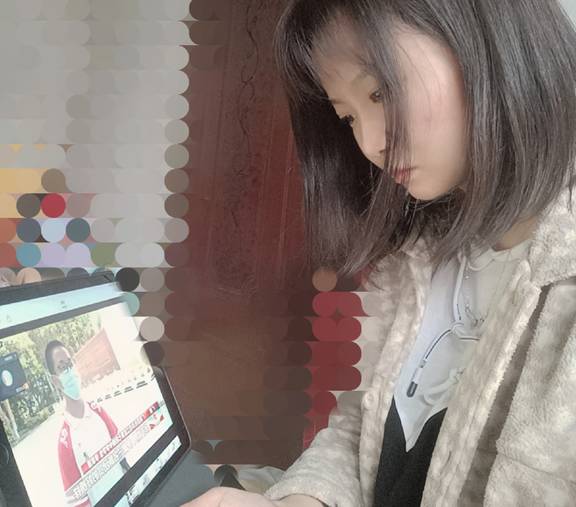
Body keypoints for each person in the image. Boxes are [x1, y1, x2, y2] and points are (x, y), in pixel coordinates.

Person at [183, 0, 576, 506]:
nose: (370, 143)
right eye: (347, 116)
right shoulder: (417, 255)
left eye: (380, 91)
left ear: (488, 37)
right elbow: (361, 431)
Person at [45, 340, 130, 507]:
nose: (69, 371)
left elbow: (122, 458)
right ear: (55, 381)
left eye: (70, 363)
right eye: (62, 367)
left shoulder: (99, 412)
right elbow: (78, 502)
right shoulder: (65, 444)